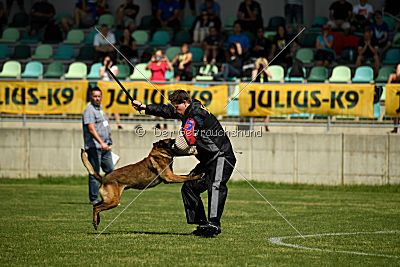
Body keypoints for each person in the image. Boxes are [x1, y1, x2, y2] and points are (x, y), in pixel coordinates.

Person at [132, 90, 236, 237]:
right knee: (189, 187)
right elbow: (166, 110)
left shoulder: (196, 115)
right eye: (174, 107)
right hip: (208, 159)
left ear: (185, 103)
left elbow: (192, 129)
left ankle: (214, 224)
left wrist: (187, 141)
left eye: (177, 107)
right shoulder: (186, 110)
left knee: (216, 186)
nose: (175, 111)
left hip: (221, 156)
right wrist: (144, 107)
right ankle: (203, 225)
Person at [82, 87, 114, 206]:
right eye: (95, 96)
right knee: (94, 172)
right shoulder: (89, 110)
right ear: (91, 97)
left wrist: (107, 143)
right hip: (95, 147)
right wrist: (101, 143)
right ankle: (94, 198)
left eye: (99, 96)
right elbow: (91, 128)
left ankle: (109, 196)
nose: (97, 98)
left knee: (111, 172)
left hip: (105, 147)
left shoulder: (100, 109)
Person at [147, 49, 173, 130]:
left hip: (162, 86)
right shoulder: (153, 63)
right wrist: (151, 60)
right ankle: (157, 124)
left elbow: (171, 69)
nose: (158, 57)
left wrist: (166, 59)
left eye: (159, 55)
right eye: (156, 55)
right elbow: (147, 67)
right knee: (155, 106)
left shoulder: (164, 63)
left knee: (163, 106)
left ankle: (165, 124)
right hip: (153, 86)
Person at [99, 56, 123, 130]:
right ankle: (106, 124)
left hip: (112, 89)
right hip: (104, 89)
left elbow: (112, 76)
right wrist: (105, 67)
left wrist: (108, 67)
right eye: (106, 60)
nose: (107, 62)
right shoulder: (102, 68)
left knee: (114, 107)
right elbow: (101, 74)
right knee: (105, 108)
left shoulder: (114, 68)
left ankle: (118, 123)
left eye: (108, 61)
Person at [388, 63, 400, 133]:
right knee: (396, 112)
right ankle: (395, 128)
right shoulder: (399, 66)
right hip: (398, 92)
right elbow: (398, 77)